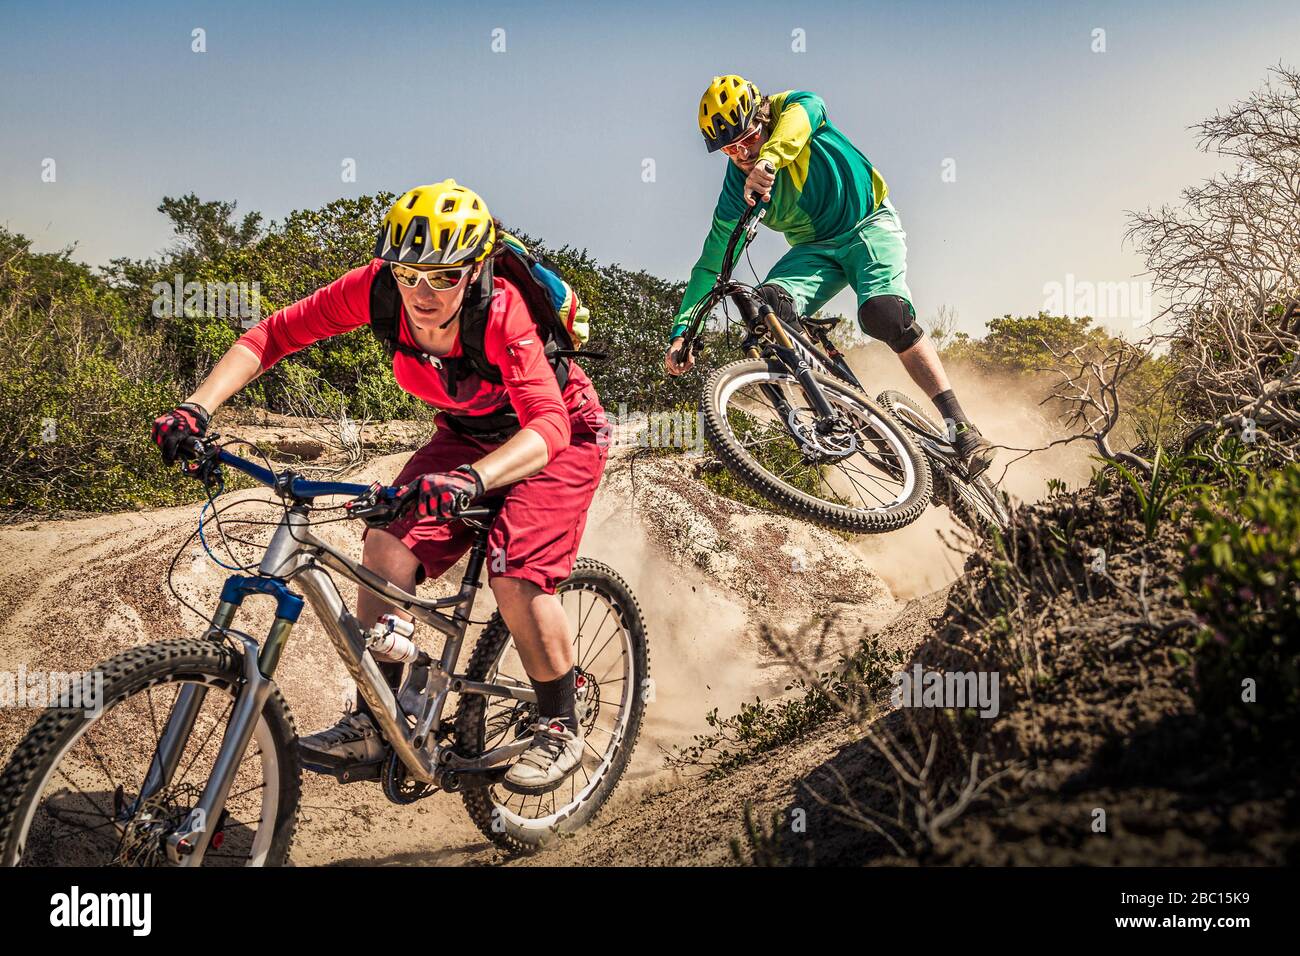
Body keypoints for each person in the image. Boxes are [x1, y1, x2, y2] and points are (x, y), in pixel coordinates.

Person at [152, 180, 607, 794]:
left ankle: (560, 725)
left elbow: (549, 425)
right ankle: (379, 718)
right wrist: (196, 409)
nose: (422, 292)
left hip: (561, 432)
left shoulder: (502, 311)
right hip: (470, 431)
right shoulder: (375, 289)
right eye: (409, 272)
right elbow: (271, 336)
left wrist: (472, 480)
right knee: (384, 548)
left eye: (443, 277)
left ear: (474, 270)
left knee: (514, 573)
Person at [665, 75, 995, 476]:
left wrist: (768, 158)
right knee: (765, 307)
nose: (741, 153)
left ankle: (960, 425)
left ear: (762, 116)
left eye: (746, 138)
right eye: (728, 149)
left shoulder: (794, 108)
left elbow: (808, 113)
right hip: (813, 250)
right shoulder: (738, 185)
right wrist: (683, 330)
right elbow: (712, 261)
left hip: (867, 223)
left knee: (885, 315)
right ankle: (845, 406)